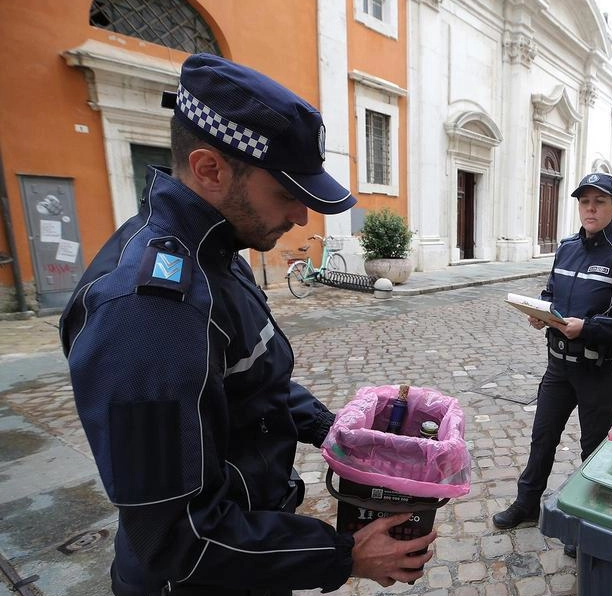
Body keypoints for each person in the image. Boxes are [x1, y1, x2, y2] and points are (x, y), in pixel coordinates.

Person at [59, 54, 435, 595]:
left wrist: (335, 430)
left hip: (253, 555)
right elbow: (176, 539)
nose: (301, 217)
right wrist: (342, 556)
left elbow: (253, 379)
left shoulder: (218, 249)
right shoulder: (149, 313)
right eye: (286, 194)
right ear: (210, 169)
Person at [492, 173, 612, 556]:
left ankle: (585, 522)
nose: (591, 209)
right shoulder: (566, 248)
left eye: (599, 202)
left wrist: (589, 328)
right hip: (558, 367)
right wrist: (542, 313)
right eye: (585, 202)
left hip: (601, 372)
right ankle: (527, 504)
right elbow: (552, 292)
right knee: (542, 437)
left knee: (593, 449)